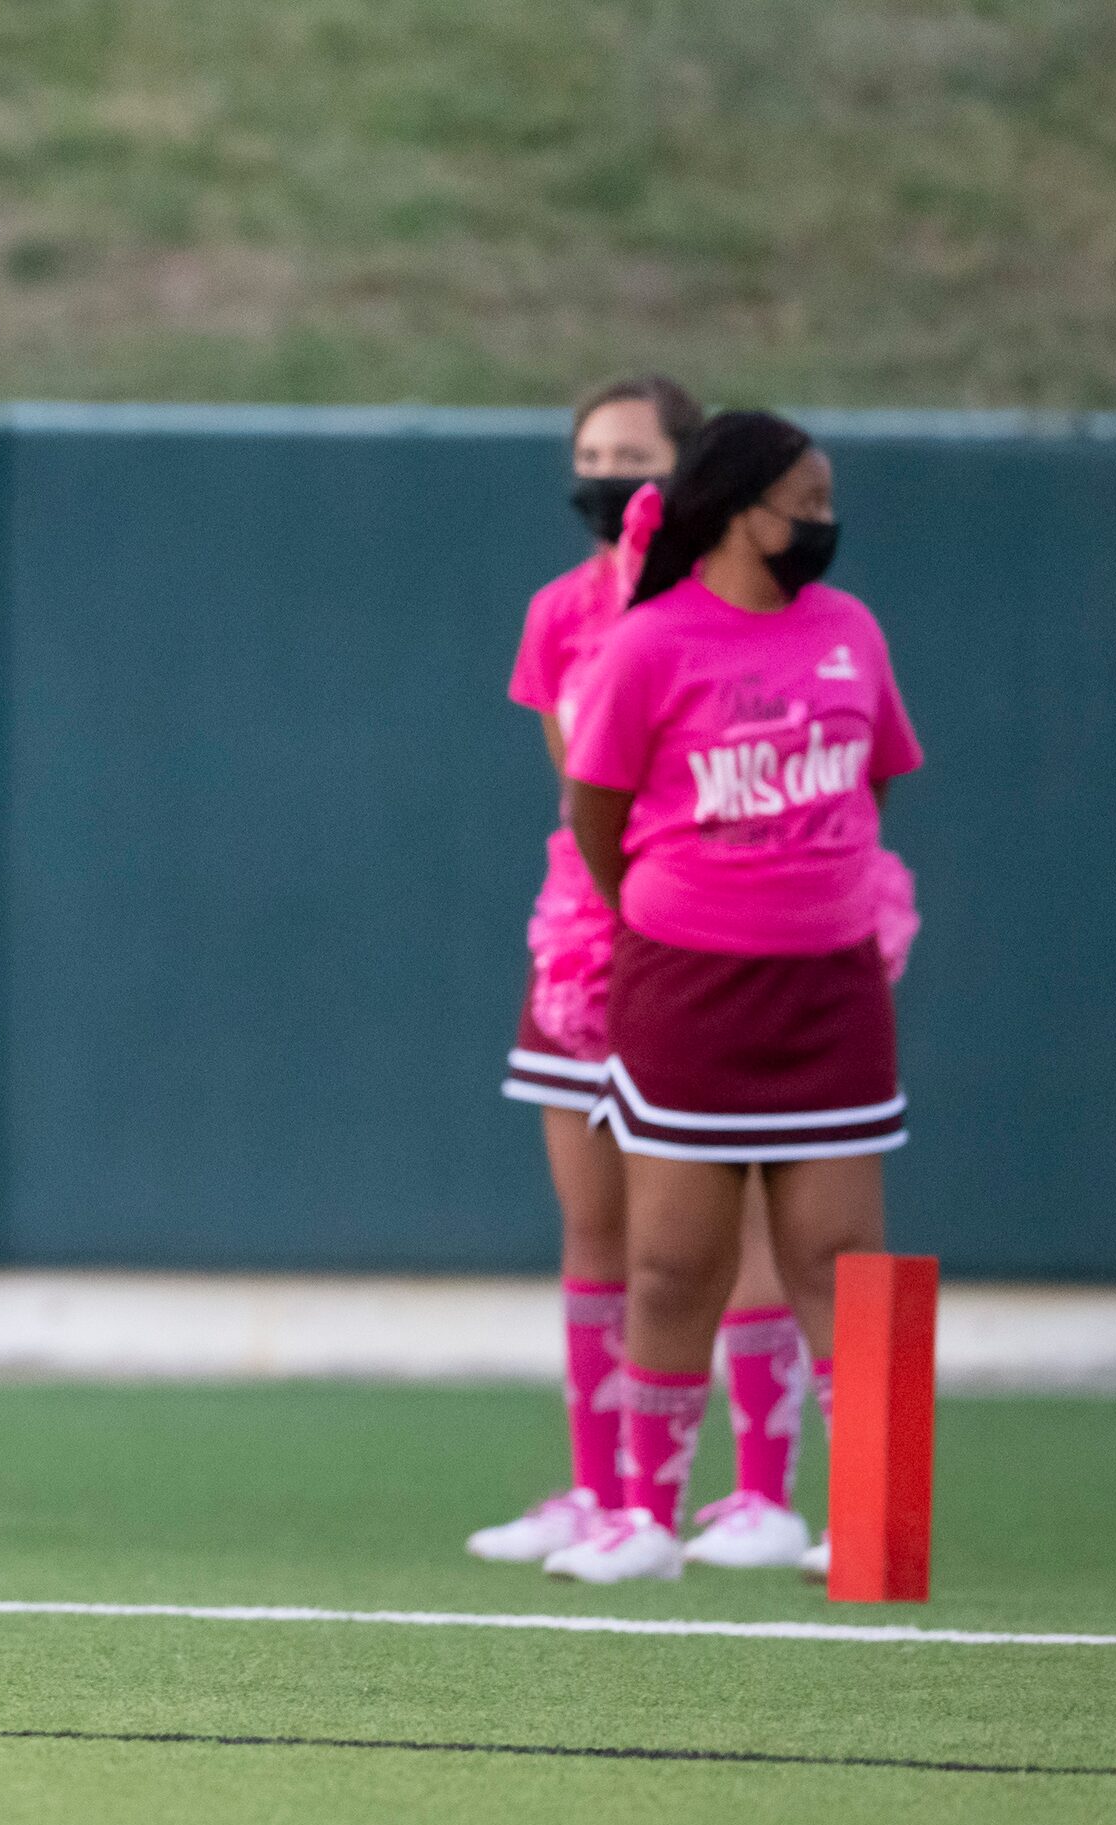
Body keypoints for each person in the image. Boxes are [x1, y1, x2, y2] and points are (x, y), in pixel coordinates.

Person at [539, 411, 922, 1585]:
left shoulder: (852, 630)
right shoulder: (650, 644)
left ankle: (876, 1523)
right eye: (802, 501)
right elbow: (594, 814)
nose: (821, 522)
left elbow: (879, 781)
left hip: (831, 994)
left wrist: (813, 890)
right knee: (670, 1263)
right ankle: (642, 1522)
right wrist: (679, 906)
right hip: (688, 990)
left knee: (844, 1255)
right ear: (739, 508)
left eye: (826, 501)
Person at [471, 377, 816, 1571]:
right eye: (593, 452)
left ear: (691, 474)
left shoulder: (741, 610)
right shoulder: (561, 609)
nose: (612, 474)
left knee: (743, 1214)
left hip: (725, 938)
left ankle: (764, 1490)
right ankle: (602, 1488)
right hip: (588, 927)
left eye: (637, 454)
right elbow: (588, 789)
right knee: (601, 1219)